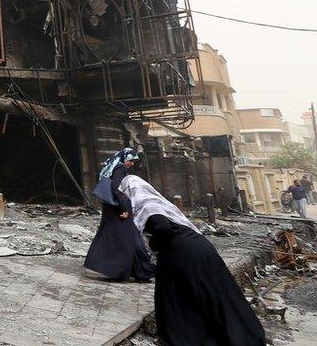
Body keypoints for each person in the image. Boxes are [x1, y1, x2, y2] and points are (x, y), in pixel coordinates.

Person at [118, 175, 266, 346]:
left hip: (182, 253)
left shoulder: (146, 204)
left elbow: (162, 227)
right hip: (198, 247)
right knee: (215, 293)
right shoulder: (157, 202)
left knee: (174, 299)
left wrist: (154, 242)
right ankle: (242, 336)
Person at [84, 147, 154, 281]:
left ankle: (129, 270)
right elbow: (117, 189)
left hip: (111, 208)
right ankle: (138, 271)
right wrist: (125, 209)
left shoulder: (113, 165)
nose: (132, 164)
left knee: (115, 237)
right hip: (118, 209)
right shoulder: (120, 167)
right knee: (130, 239)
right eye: (131, 160)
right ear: (125, 158)